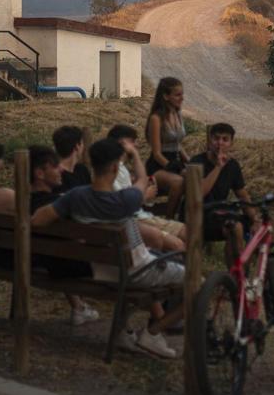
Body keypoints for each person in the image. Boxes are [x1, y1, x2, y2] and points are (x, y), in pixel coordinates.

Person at [31, 137, 186, 359]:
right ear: (115, 167)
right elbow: (143, 180)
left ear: (93, 165)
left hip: (102, 270)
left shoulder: (75, 197)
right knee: (196, 283)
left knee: (145, 258)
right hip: (135, 271)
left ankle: (122, 333)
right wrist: (134, 155)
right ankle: (152, 333)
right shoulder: (128, 198)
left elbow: (37, 220)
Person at [0, 140, 97, 326]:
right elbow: (33, 207)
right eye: (0, 159)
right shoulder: (4, 196)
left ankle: (78, 307)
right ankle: (79, 307)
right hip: (20, 256)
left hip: (2, 251)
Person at [106, 124, 187, 248]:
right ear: (121, 143)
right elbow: (122, 206)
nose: (136, 145)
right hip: (134, 221)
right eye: (132, 142)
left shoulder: (121, 169)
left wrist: (141, 187)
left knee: (187, 232)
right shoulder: (112, 170)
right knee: (180, 242)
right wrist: (144, 196)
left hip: (138, 218)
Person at [189, 122, 254, 266]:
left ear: (231, 143)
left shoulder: (233, 166)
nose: (220, 143)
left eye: (225, 139)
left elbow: (242, 195)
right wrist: (218, 167)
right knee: (235, 228)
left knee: (242, 226)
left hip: (220, 214)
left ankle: (238, 274)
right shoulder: (197, 162)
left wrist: (255, 219)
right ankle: (237, 275)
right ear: (210, 140)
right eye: (216, 138)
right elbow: (199, 193)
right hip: (198, 215)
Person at [144, 77, 188, 220]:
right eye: (177, 94)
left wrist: (189, 161)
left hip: (174, 160)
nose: (182, 98)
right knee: (178, 182)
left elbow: (177, 144)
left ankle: (188, 218)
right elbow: (156, 153)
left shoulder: (178, 113)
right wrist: (171, 166)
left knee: (195, 177)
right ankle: (169, 220)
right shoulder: (156, 118)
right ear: (165, 96)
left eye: (182, 94)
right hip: (158, 165)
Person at [51, 125, 92, 190]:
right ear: (77, 146)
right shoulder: (56, 176)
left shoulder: (82, 170)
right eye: (82, 144)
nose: (83, 147)